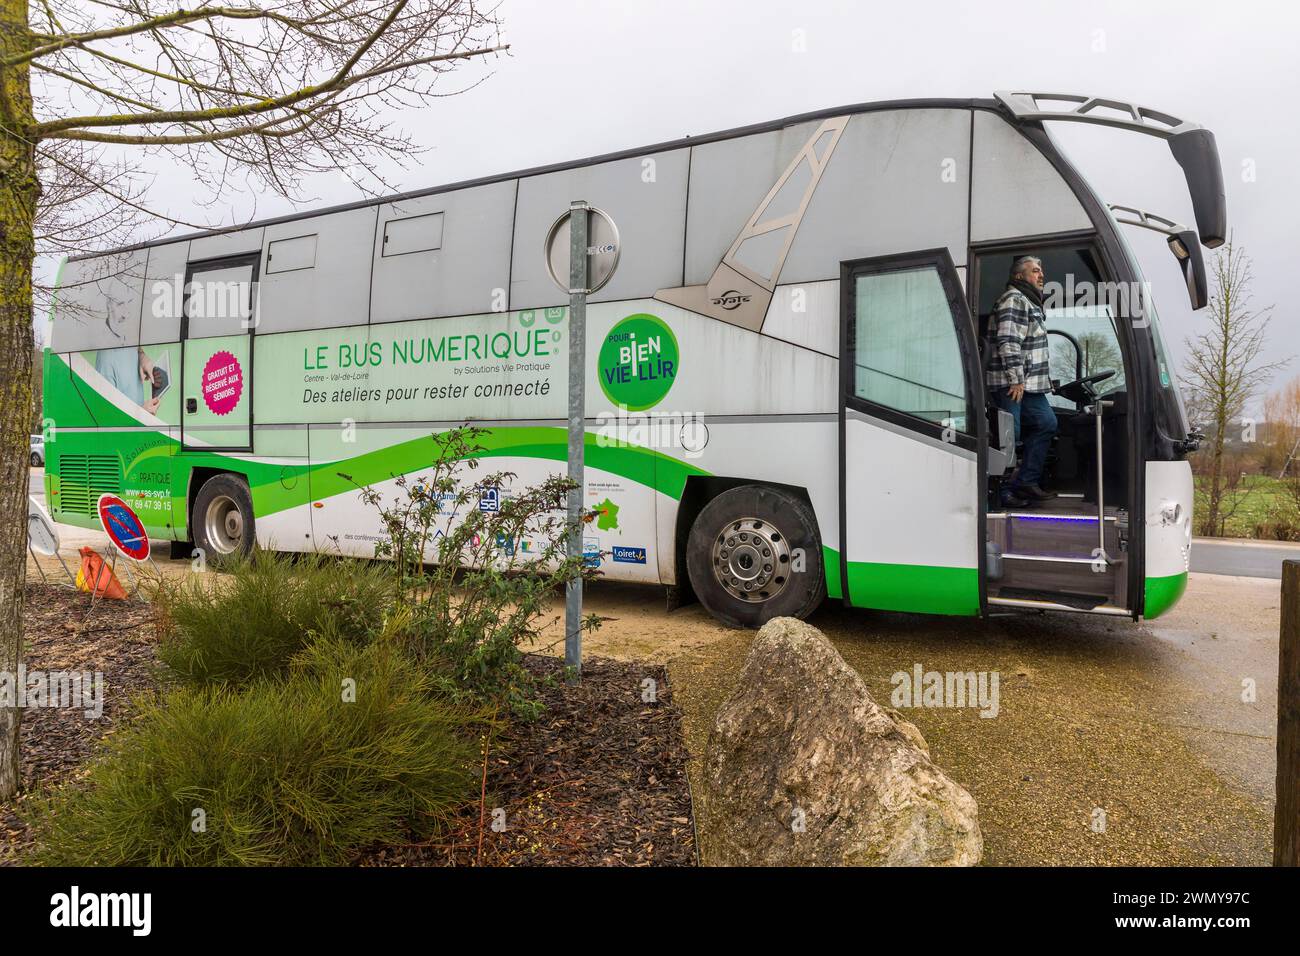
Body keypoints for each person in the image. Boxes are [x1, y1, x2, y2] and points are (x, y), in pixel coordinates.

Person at [987, 255, 1057, 508]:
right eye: (1035, 271)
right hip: (1011, 383)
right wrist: (1016, 379)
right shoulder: (1014, 300)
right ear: (1019, 276)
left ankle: (1026, 481)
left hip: (1030, 385)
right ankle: (1002, 491)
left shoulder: (1029, 302)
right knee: (1009, 435)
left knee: (1046, 423)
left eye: (1041, 271)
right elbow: (1009, 341)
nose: (1041, 275)